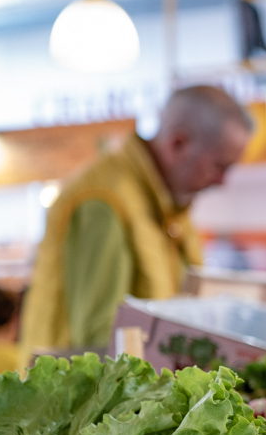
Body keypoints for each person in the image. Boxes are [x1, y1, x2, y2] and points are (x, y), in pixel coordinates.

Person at [21, 85, 253, 352]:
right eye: (219, 166)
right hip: (70, 391)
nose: (223, 182)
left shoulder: (174, 209)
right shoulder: (103, 201)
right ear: (178, 144)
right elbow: (100, 338)